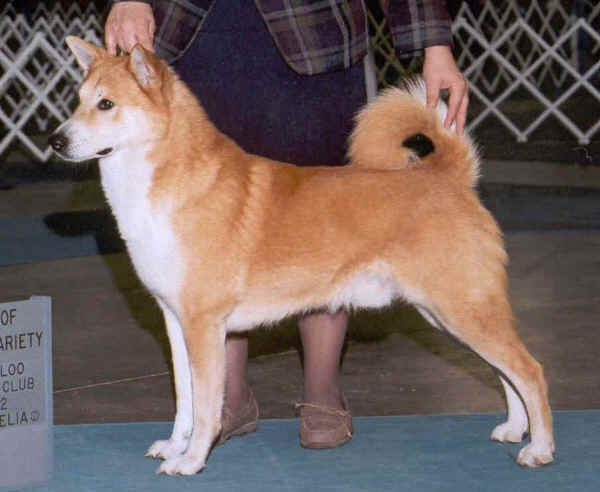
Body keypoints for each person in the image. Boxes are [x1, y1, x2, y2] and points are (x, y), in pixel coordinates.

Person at [104, 0, 468, 450]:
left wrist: (435, 46)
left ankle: (322, 393)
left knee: (325, 226)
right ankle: (225, 400)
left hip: (314, 34)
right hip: (199, 34)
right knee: (211, 235)